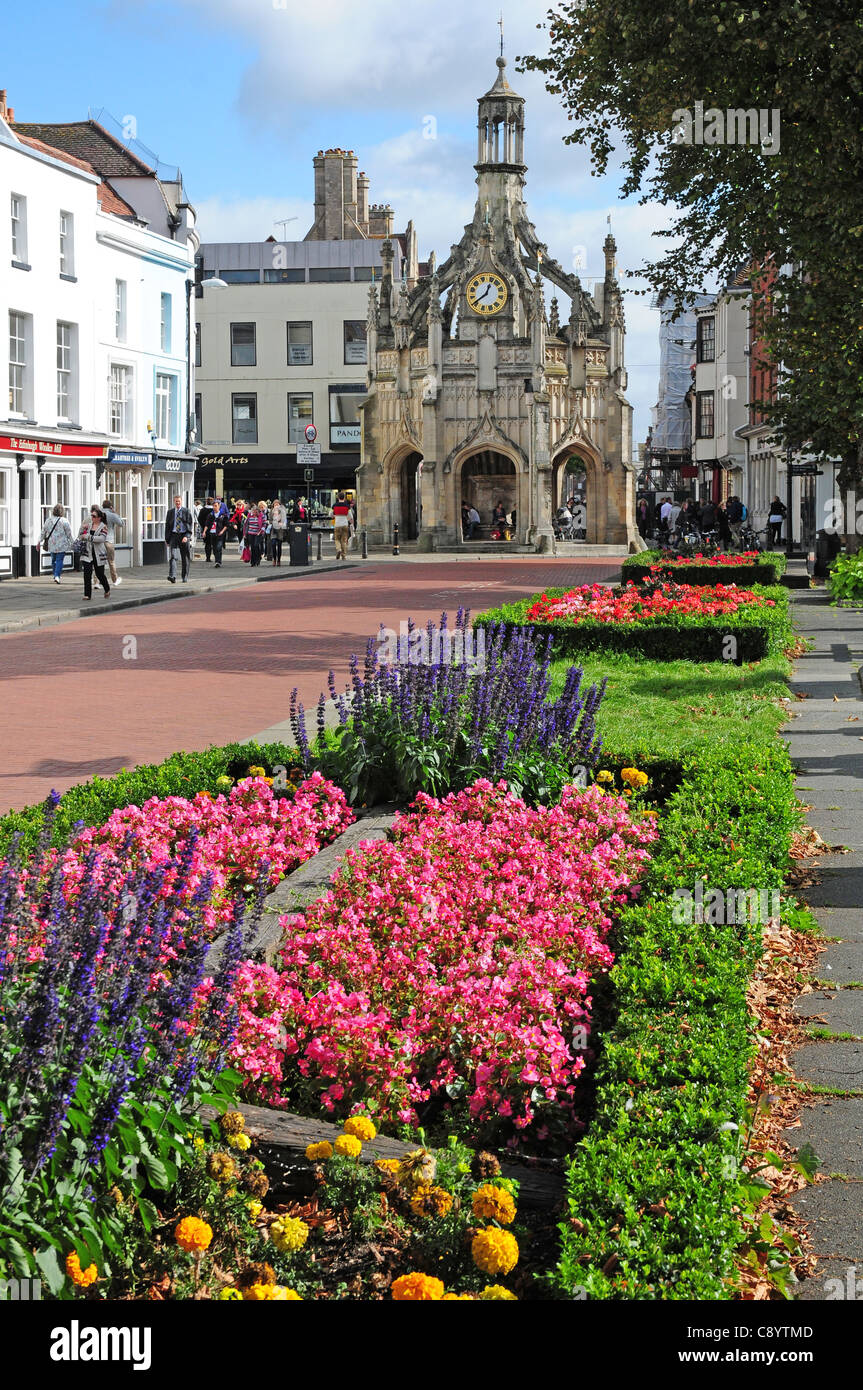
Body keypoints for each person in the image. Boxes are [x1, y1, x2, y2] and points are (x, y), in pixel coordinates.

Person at [78, 506, 111, 599]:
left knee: (100, 574)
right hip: (87, 553)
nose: (91, 517)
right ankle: (87, 595)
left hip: (98, 554)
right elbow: (80, 536)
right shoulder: (88, 525)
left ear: (99, 518)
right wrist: (81, 528)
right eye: (91, 515)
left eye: (94, 516)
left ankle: (107, 588)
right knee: (86, 574)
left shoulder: (103, 527)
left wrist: (89, 537)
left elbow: (101, 538)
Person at [40, 503, 74, 584]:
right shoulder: (64, 521)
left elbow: (43, 532)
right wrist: (73, 542)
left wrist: (39, 541)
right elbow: (69, 533)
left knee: (53, 560)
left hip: (52, 544)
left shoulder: (48, 520)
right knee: (59, 560)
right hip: (62, 544)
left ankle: (55, 574)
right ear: (62, 511)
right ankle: (57, 575)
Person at [165, 494, 193, 583]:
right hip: (173, 535)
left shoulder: (186, 511)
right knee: (172, 556)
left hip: (183, 535)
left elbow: (190, 525)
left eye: (179, 501)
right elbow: (167, 526)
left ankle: (184, 576)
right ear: (174, 502)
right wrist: (167, 539)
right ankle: (172, 576)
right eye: (176, 501)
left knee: (185, 557)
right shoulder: (170, 512)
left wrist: (187, 536)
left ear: (181, 502)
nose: (177, 503)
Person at [100, 501, 125, 586]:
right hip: (109, 540)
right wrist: (115, 513)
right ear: (111, 507)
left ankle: (96, 581)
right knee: (111, 561)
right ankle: (114, 580)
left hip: (99, 541)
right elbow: (122, 523)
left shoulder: (98, 514)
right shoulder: (112, 515)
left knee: (98, 562)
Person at [244, 502, 266, 566]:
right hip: (250, 533)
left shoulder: (262, 515)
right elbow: (246, 525)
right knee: (252, 547)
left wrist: (261, 531)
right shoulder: (249, 515)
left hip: (258, 533)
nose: (254, 513)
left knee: (256, 546)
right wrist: (245, 534)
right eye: (253, 512)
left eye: (256, 512)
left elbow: (264, 524)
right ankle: (253, 562)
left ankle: (258, 559)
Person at [210, 497, 229, 567]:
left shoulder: (223, 515)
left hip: (220, 533)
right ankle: (216, 560)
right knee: (214, 548)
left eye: (216, 506)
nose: (214, 507)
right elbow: (207, 523)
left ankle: (218, 561)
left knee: (218, 547)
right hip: (212, 533)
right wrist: (205, 531)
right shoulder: (211, 514)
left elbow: (226, 524)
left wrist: (222, 531)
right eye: (213, 506)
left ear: (219, 506)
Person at [332, 490, 352, 560]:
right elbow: (350, 517)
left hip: (337, 525)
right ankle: (343, 555)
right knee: (344, 541)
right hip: (345, 525)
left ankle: (338, 550)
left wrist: (334, 516)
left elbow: (331, 514)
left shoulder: (334, 506)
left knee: (337, 539)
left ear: (338, 497)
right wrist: (351, 523)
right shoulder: (347, 506)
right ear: (344, 498)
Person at [270, 498, 287, 566]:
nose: (276, 506)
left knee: (279, 546)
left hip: (280, 531)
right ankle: (274, 559)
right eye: (275, 504)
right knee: (273, 544)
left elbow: (284, 520)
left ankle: (279, 560)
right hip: (273, 530)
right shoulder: (271, 512)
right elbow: (270, 520)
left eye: (277, 504)